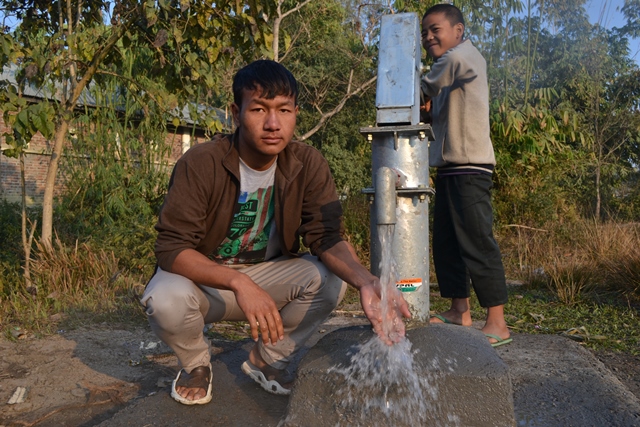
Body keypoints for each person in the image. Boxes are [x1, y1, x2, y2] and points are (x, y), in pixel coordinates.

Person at [141, 59, 410, 405]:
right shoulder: (201, 163)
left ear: (296, 113)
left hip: (268, 278)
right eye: (259, 110)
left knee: (330, 278)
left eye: (284, 110)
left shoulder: (307, 164)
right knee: (164, 298)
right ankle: (195, 365)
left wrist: (368, 281)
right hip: (206, 283)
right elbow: (171, 248)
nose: (272, 123)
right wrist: (239, 282)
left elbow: (327, 237)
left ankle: (267, 360)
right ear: (236, 113)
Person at [420, 4, 512, 348]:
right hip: (449, 168)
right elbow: (435, 113)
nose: (429, 37)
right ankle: (460, 310)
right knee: (446, 243)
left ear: (458, 31)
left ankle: (498, 322)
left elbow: (421, 89)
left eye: (435, 29)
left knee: (476, 241)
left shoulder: (461, 56)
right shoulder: (450, 70)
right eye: (424, 33)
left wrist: (408, 93)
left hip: (470, 168)